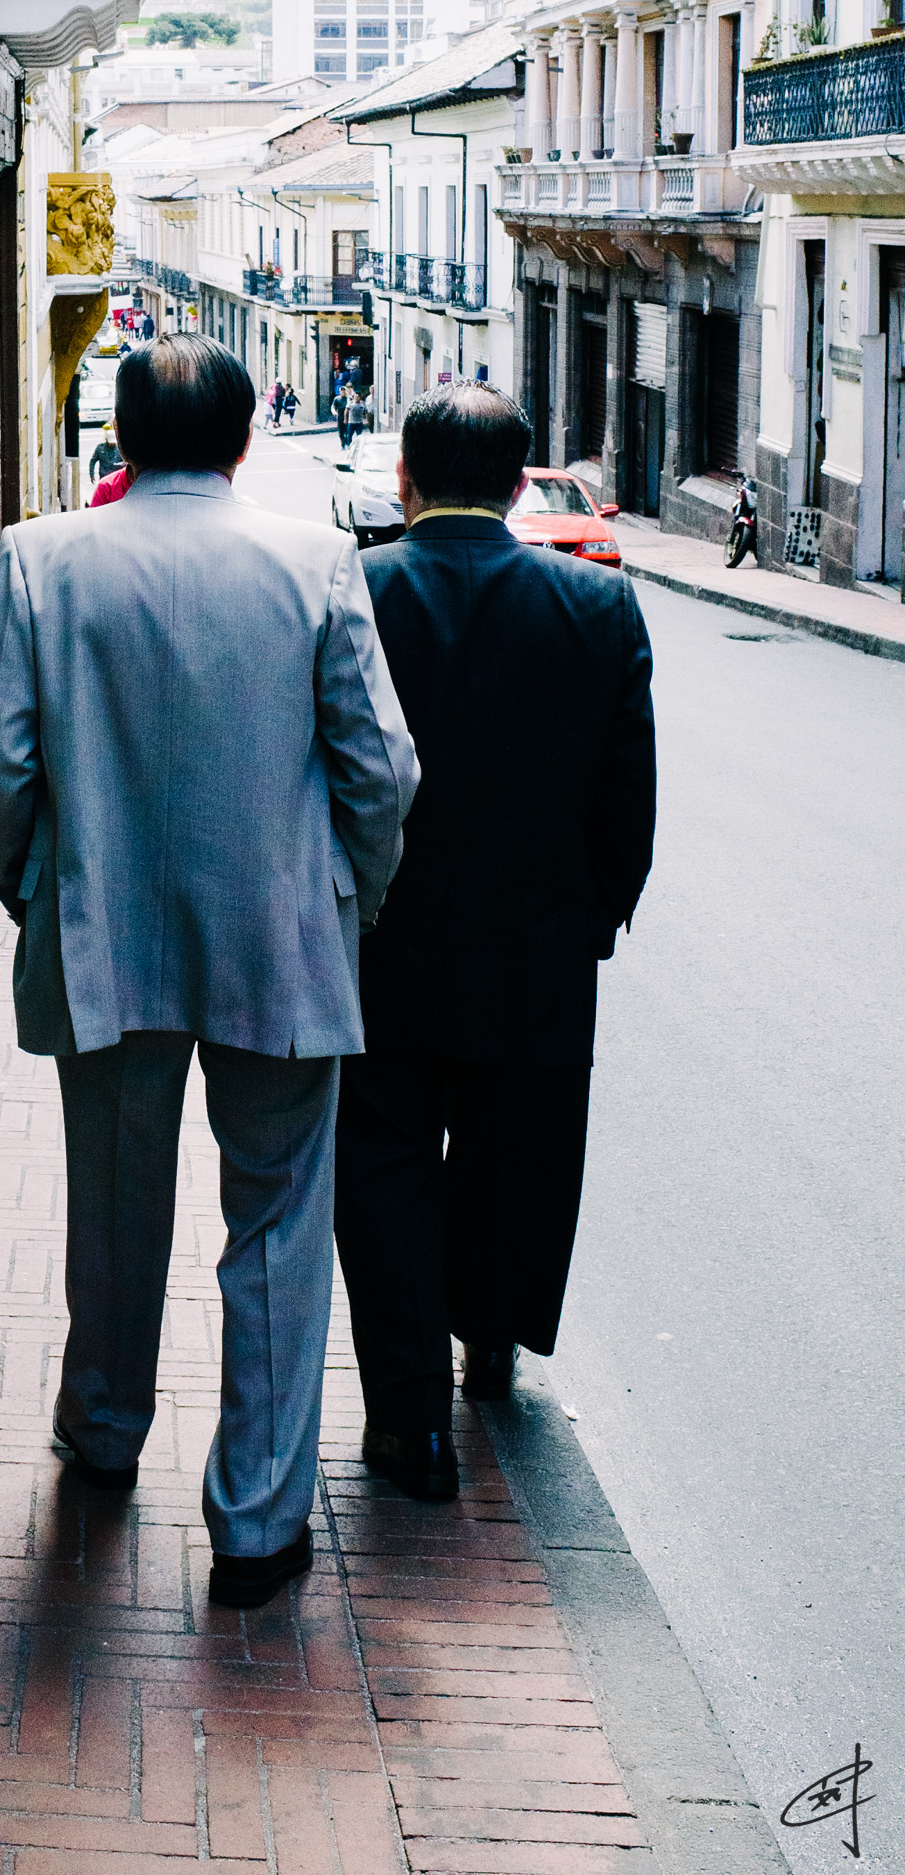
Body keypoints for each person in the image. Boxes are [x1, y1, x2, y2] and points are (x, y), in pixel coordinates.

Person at [0, 338, 419, 1608]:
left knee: (112, 1203)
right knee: (276, 1222)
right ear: (243, 440)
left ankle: (104, 1432)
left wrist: (27, 882)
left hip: (102, 937)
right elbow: (382, 769)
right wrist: (350, 901)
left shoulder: (38, 559)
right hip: (280, 939)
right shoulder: (315, 561)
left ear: (121, 434)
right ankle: (257, 1521)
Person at [334, 384, 656, 1502]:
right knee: (515, 1161)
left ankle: (407, 1418)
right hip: (534, 956)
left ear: (406, 482)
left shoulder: (356, 591)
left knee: (381, 1171)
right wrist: (586, 925)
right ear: (521, 486)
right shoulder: (599, 609)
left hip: (379, 947)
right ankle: (490, 1351)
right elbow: (627, 803)